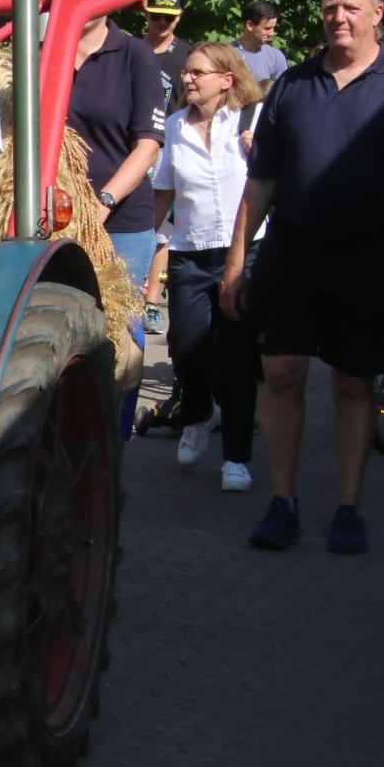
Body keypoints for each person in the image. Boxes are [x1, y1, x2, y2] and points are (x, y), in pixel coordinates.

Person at [220, 0, 384, 554]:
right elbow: (262, 181)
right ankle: (283, 502)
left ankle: (348, 508)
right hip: (293, 253)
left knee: (354, 383)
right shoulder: (294, 86)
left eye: (351, 6)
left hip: (371, 254)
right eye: (330, 6)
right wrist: (235, 260)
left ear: (378, 13)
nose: (339, 16)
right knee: (281, 372)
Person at [152, 43, 264, 491]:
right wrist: (148, 243)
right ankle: (198, 414)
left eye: (198, 72)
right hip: (191, 252)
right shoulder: (175, 126)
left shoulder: (249, 122)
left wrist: (260, 153)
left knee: (237, 355)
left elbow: (278, 180)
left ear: (226, 79)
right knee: (185, 345)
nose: (187, 78)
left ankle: (236, 458)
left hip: (243, 252)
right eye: (186, 72)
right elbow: (163, 190)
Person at [66, 0, 169, 296]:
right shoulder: (44, 54)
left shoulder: (134, 54)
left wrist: (103, 203)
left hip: (120, 222)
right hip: (57, 218)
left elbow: (148, 145)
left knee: (119, 329)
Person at [141, 0, 191, 332]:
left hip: (168, 146)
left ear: (178, 18)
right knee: (133, 222)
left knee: (163, 229)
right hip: (131, 146)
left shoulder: (186, 56)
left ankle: (152, 301)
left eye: (168, 18)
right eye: (156, 16)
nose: (161, 23)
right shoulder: (132, 49)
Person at [232, 0, 289, 81]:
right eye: (267, 28)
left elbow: (282, 92)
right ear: (250, 25)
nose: (272, 33)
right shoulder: (225, 54)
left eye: (273, 28)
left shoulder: (276, 57)